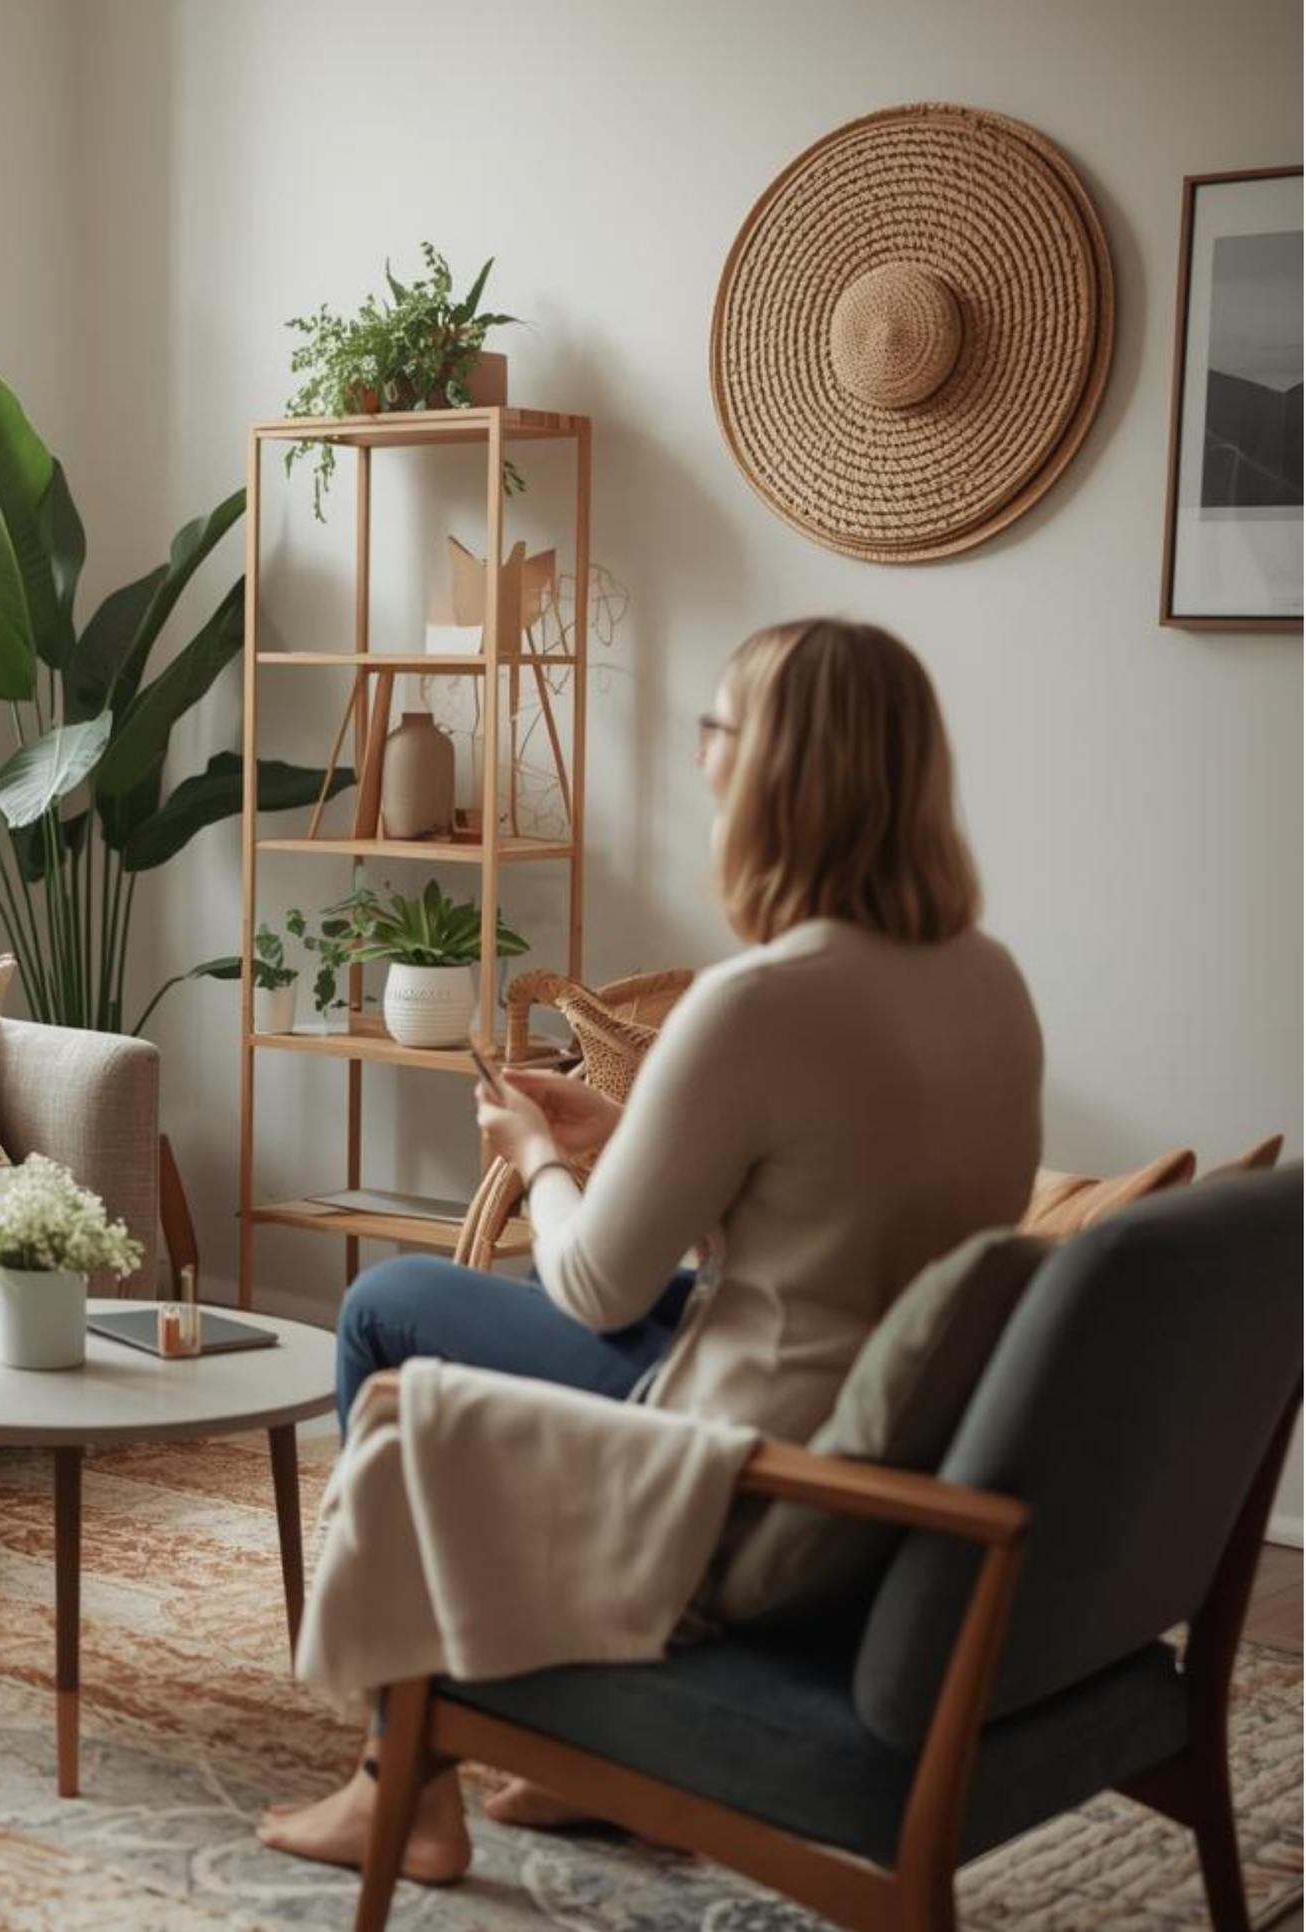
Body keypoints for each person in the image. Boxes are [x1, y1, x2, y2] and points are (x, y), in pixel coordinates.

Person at [261, 618, 1043, 1882]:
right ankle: (579, 1776)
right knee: (504, 1293)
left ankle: (395, 1783)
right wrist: (637, 1132)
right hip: (880, 1408)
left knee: (390, 1309)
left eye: (715, 731)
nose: (699, 762)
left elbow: (588, 1286)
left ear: (784, 775)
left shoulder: (760, 1002)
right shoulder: (986, 981)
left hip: (750, 1457)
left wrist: (541, 1159)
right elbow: (837, 1194)